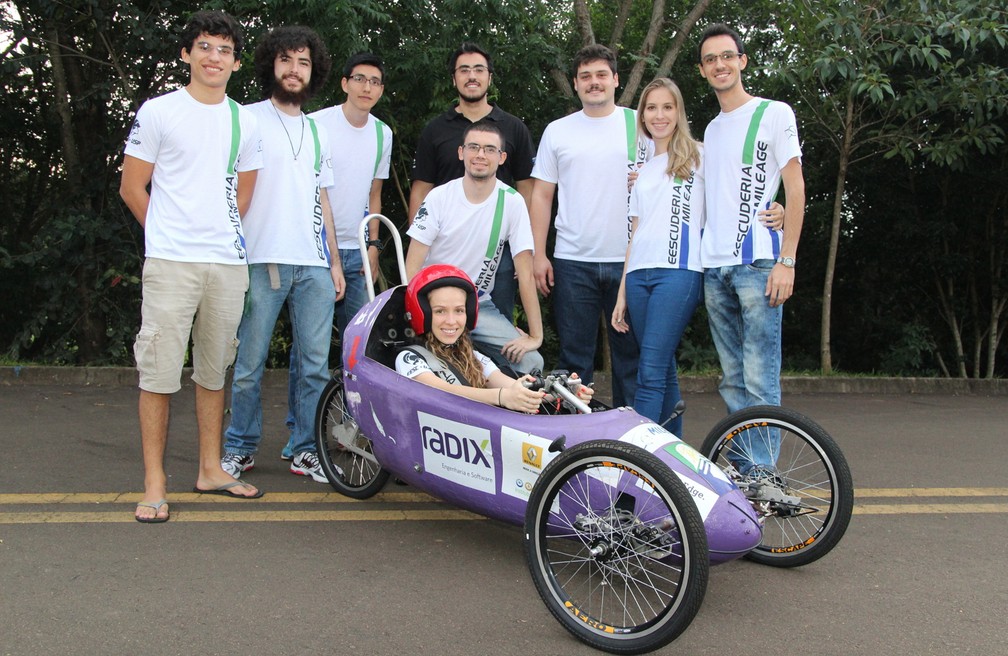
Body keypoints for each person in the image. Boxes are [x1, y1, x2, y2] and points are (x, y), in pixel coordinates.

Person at [120, 10, 264, 522]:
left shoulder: (246, 120)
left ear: (236, 61)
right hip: (171, 262)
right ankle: (155, 482)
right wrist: (164, 234)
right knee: (159, 372)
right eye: (204, 47)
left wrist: (215, 234)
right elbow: (132, 187)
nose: (213, 57)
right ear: (187, 54)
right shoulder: (159, 111)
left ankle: (210, 468)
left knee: (214, 368)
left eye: (224, 50)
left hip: (227, 263)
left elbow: (243, 195)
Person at [611, 78, 784, 437]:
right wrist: (622, 292)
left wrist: (776, 208)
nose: (659, 116)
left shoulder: (700, 155)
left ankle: (634, 462)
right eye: (651, 108)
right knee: (664, 368)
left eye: (667, 107)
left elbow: (740, 189)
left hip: (679, 273)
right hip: (639, 276)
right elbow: (636, 232)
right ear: (642, 115)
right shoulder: (641, 171)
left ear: (679, 112)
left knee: (650, 370)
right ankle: (674, 460)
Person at [220, 25, 345, 485]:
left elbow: (323, 199)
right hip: (260, 260)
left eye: (304, 62)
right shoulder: (245, 118)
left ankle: (305, 449)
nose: (295, 70)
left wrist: (333, 260)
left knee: (314, 367)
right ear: (271, 64)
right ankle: (239, 448)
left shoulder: (318, 130)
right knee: (250, 365)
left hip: (313, 265)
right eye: (287, 60)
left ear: (315, 72)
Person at [697, 24, 806, 474]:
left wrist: (787, 260)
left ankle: (763, 480)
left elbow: (796, 189)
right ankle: (744, 473)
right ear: (702, 70)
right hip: (713, 268)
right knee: (732, 382)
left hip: (759, 264)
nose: (720, 65)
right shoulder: (712, 128)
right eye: (710, 60)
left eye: (727, 56)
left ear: (742, 60)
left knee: (761, 380)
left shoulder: (774, 112)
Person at [529, 43, 648, 407]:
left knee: (631, 359)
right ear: (576, 84)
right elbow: (541, 197)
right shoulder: (558, 131)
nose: (593, 83)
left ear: (615, 79)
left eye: (601, 75)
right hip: (572, 261)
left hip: (631, 261)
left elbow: (685, 169)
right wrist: (538, 254)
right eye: (585, 77)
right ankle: (579, 443)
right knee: (575, 361)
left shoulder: (641, 124)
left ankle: (633, 442)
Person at [408, 42, 536, 322]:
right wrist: (419, 241)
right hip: (444, 249)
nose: (472, 76)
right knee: (440, 325)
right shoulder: (435, 130)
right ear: (454, 79)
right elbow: (421, 189)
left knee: (495, 330)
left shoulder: (514, 128)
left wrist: (524, 248)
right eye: (463, 70)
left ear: (490, 76)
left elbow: (527, 188)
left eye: (479, 69)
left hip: (497, 254)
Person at [406, 121, 544, 374]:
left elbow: (525, 274)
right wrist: (418, 312)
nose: (481, 155)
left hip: (478, 304)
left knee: (531, 362)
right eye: (474, 147)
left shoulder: (512, 202)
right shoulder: (438, 197)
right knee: (445, 370)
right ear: (461, 152)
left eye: (490, 149)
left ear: (502, 158)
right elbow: (412, 266)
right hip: (434, 302)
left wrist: (536, 336)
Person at [397, 265, 591, 411]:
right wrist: (502, 397)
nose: (451, 321)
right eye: (440, 311)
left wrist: (563, 394)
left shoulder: (472, 356)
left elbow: (509, 386)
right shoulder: (409, 358)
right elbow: (440, 391)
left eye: (459, 311)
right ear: (423, 313)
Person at [309, 52, 393, 337]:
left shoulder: (383, 133)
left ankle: (351, 385)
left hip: (358, 251)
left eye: (374, 82)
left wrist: (373, 246)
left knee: (359, 338)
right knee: (313, 340)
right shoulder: (315, 125)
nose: (366, 88)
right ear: (345, 83)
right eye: (359, 79)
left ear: (381, 89)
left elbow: (375, 194)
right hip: (316, 250)